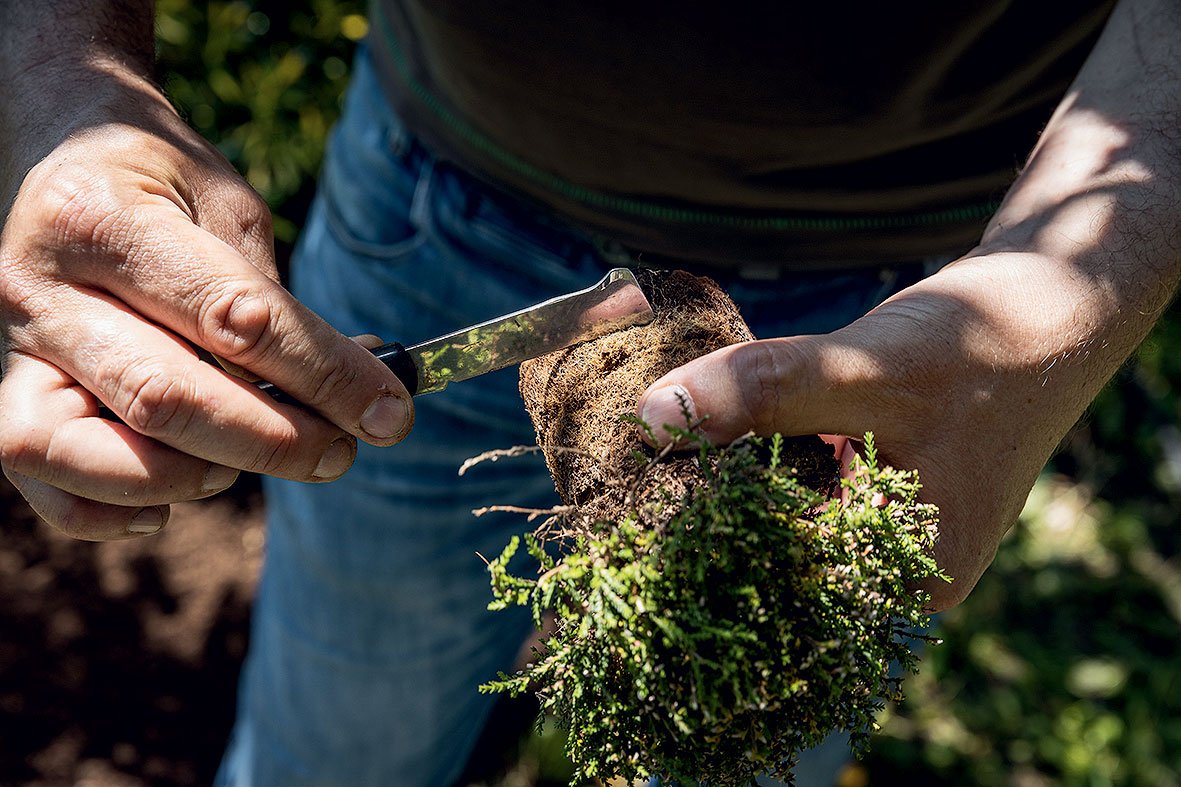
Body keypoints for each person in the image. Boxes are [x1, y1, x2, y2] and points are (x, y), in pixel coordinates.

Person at [1, 1, 1178, 785]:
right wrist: (73, 95)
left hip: (905, 319)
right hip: (439, 204)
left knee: (739, 723)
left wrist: (1055, 297)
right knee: (336, 742)